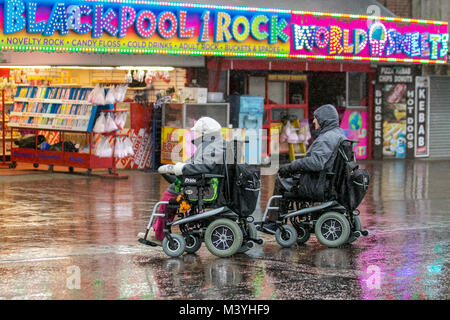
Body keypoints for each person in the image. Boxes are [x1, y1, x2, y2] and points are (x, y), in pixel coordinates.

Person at [138, 117, 225, 245]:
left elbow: (204, 166)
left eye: (198, 132)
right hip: (201, 183)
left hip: (202, 186)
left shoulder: (212, 146)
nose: (195, 134)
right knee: (172, 188)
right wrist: (178, 168)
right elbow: (197, 163)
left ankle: (159, 234)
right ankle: (157, 230)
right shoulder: (213, 144)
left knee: (168, 197)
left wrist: (182, 168)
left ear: (204, 133)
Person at [266, 104, 347, 224]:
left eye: (316, 118)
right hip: (328, 181)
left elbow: (316, 163)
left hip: (317, 183)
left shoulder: (326, 138)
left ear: (324, 119)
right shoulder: (339, 134)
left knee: (281, 179)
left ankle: (273, 221)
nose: (314, 121)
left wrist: (291, 166)